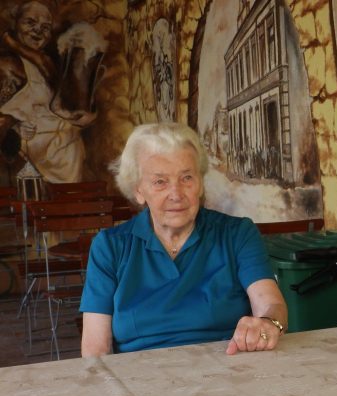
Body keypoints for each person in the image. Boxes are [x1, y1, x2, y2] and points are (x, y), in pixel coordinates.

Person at [80, 122, 287, 355]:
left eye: (187, 178)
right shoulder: (110, 247)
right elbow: (95, 350)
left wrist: (267, 323)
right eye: (160, 182)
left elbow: (271, 304)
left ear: (200, 183)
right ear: (138, 190)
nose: (176, 194)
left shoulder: (237, 234)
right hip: (141, 372)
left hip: (227, 366)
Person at [0, 0, 98, 185]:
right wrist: (14, 128)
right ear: (15, 23)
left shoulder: (47, 63)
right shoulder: (7, 65)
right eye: (30, 22)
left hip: (67, 162)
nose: (38, 30)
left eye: (45, 27)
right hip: (32, 167)